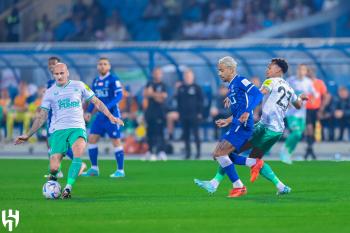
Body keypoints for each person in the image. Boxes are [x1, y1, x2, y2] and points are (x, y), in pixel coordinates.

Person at [195, 58, 308, 195]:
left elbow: (258, 94)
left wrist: (242, 104)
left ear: (278, 70)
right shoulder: (289, 88)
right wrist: (300, 98)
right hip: (277, 132)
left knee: (229, 153)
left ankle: (218, 183)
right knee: (246, 157)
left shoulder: (270, 82)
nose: (267, 70)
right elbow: (298, 105)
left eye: (270, 67)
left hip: (264, 127)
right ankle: (281, 186)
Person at [14, 63, 124, 199]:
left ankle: (67, 188)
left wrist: (111, 116)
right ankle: (52, 182)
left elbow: (97, 102)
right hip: (58, 130)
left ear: (67, 73)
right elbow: (42, 116)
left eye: (62, 73)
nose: (59, 76)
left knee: (77, 154)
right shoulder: (49, 92)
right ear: (53, 75)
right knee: (54, 167)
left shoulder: (79, 85)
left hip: (77, 127)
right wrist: (28, 134)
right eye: (56, 74)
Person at [203, 56, 264, 198]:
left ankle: (239, 186)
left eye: (221, 70)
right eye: (218, 70)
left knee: (220, 154)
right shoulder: (231, 86)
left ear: (231, 70)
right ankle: (253, 162)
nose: (219, 73)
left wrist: (248, 111)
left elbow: (258, 94)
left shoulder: (241, 80)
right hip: (237, 123)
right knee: (219, 155)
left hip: (243, 125)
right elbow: (239, 108)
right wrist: (228, 120)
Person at [82, 58, 125, 178]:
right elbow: (92, 99)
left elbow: (119, 95)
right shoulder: (95, 81)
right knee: (92, 139)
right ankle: (94, 168)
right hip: (100, 117)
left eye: (105, 64)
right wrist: (89, 111)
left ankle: (120, 170)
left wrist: (107, 107)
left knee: (116, 140)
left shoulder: (113, 79)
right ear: (97, 67)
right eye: (100, 64)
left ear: (109, 67)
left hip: (112, 115)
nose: (102, 66)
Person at [279, 64, 317, 164]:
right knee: (296, 132)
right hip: (292, 113)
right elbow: (284, 92)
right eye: (299, 69)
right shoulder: (291, 80)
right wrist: (287, 102)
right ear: (297, 70)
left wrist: (312, 98)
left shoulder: (308, 82)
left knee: (299, 135)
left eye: (303, 69)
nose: (301, 71)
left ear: (306, 72)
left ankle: (289, 153)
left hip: (302, 114)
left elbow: (315, 93)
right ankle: (284, 149)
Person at [43, 57, 74, 179]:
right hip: (50, 117)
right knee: (50, 144)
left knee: (60, 145)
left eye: (54, 64)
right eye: (50, 64)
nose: (51, 66)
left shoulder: (65, 82)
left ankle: (77, 162)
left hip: (60, 118)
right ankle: (57, 170)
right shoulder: (49, 83)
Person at [177, 69, 203, 159]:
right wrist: (179, 113)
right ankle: (188, 153)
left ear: (193, 77)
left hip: (194, 115)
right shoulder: (181, 88)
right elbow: (178, 102)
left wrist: (200, 112)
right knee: (186, 135)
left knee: (196, 134)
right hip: (184, 115)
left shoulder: (197, 88)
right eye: (186, 76)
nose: (187, 78)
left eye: (189, 76)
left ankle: (198, 153)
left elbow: (201, 101)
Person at [143, 67, 168, 161]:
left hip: (160, 112)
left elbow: (164, 96)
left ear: (161, 74)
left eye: (159, 73)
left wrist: (152, 94)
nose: (157, 75)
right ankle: (150, 151)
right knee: (150, 132)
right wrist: (157, 95)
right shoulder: (149, 83)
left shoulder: (163, 85)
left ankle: (161, 151)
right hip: (150, 112)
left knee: (160, 132)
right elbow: (145, 94)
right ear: (153, 74)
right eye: (155, 73)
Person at [304, 67, 329, 160]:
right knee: (309, 128)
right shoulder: (304, 83)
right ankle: (310, 148)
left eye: (310, 72)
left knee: (313, 129)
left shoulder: (319, 83)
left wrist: (321, 108)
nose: (309, 74)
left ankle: (309, 150)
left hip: (316, 109)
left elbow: (326, 96)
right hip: (306, 109)